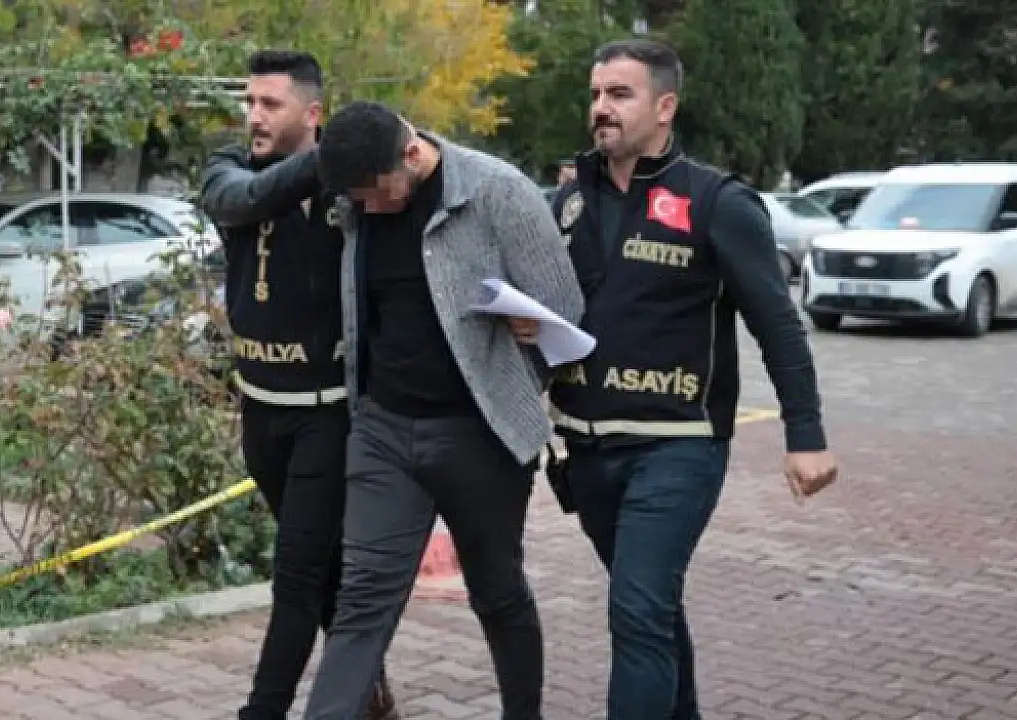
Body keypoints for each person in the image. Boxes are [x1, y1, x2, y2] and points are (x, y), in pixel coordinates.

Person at [542, 38, 840, 719]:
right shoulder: (568, 201)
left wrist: (806, 435)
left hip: (676, 446)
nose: (601, 108)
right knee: (651, 609)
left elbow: (778, 324)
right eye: (596, 94)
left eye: (620, 94)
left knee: (637, 610)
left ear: (665, 106)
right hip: (585, 449)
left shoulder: (717, 201)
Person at [301, 100, 584, 720]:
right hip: (383, 429)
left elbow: (563, 306)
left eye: (377, 194)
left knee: (497, 591)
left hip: (480, 434)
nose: (370, 209)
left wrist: (524, 346)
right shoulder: (358, 202)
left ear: (412, 153)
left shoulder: (498, 192)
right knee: (362, 600)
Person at [199, 51, 399, 720]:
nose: (254, 116)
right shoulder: (228, 169)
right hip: (261, 413)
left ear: (312, 113)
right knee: (322, 566)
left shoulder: (351, 190)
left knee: (296, 576)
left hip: (327, 414)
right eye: (249, 101)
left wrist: (348, 161)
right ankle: (367, 687)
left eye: (270, 104)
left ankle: (264, 710)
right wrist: (331, 156)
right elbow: (241, 201)